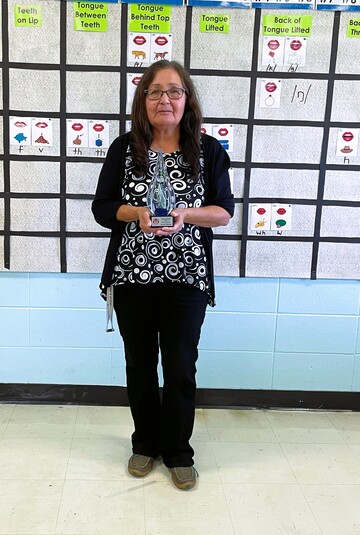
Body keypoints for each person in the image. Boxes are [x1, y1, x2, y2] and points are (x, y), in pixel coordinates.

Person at [92, 60, 234, 491]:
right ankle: (145, 443)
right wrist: (135, 213)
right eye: (155, 92)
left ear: (187, 99)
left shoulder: (207, 151)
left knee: (180, 367)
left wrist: (185, 214)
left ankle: (178, 451)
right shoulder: (124, 148)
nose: (164, 100)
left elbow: (224, 213)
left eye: (174, 91)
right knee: (139, 365)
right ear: (143, 101)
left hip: (186, 280)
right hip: (132, 278)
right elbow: (102, 209)